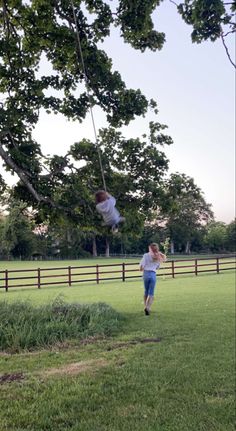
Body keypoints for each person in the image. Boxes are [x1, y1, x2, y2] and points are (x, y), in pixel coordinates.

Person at [139, 243, 166, 316]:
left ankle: (145, 306)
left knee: (146, 291)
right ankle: (148, 307)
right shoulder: (159, 256)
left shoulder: (146, 255)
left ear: (150, 248)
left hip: (146, 274)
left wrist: (142, 269)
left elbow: (141, 267)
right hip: (153, 274)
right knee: (151, 293)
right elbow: (157, 267)